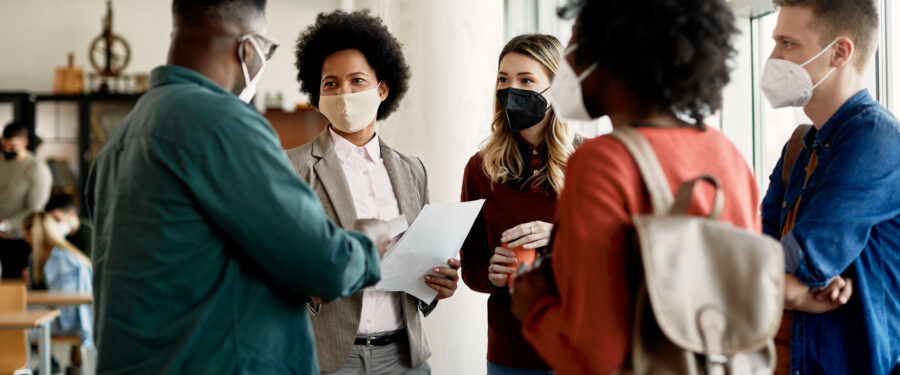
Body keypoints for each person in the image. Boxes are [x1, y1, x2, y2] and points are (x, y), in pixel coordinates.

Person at [84, 1, 391, 373]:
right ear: (249, 48)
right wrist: (367, 242)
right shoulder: (223, 124)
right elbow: (322, 267)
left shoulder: (121, 140)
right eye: (268, 51)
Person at [505, 0, 801, 373]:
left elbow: (595, 358)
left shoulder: (603, 163)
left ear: (612, 50)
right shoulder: (727, 156)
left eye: (577, 43)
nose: (569, 62)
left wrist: (534, 307)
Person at [286, 10, 460, 375]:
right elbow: (279, 267)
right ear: (316, 94)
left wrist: (437, 286)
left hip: (404, 356)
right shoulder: (291, 168)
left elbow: (421, 265)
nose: (343, 92)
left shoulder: (412, 170)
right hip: (329, 359)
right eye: (330, 83)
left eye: (356, 80)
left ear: (382, 88)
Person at [759, 0, 900, 373]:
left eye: (788, 44)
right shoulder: (799, 147)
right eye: (775, 42)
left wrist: (792, 287)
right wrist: (797, 292)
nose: (773, 57)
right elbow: (763, 249)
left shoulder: (876, 138)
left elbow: (803, 259)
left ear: (839, 52)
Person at [459, 34, 582, 375]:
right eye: (503, 80)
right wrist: (492, 276)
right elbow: (471, 265)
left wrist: (561, 236)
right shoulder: (480, 168)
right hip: (510, 353)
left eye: (526, 80)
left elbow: (615, 253)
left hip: (578, 346)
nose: (511, 90)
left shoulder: (589, 162)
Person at [22, 212, 93, 348]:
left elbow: (67, 303)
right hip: (60, 317)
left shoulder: (62, 259)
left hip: (71, 322)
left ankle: (30, 368)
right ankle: (47, 365)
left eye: (24, 232)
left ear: (31, 233)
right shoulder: (37, 258)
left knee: (20, 331)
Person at [0, 121, 52, 280]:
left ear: (25, 143)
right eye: (4, 145)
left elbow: (35, 208)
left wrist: (4, 224)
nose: (7, 150)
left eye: (13, 146)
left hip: (19, 239)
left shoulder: (36, 169)